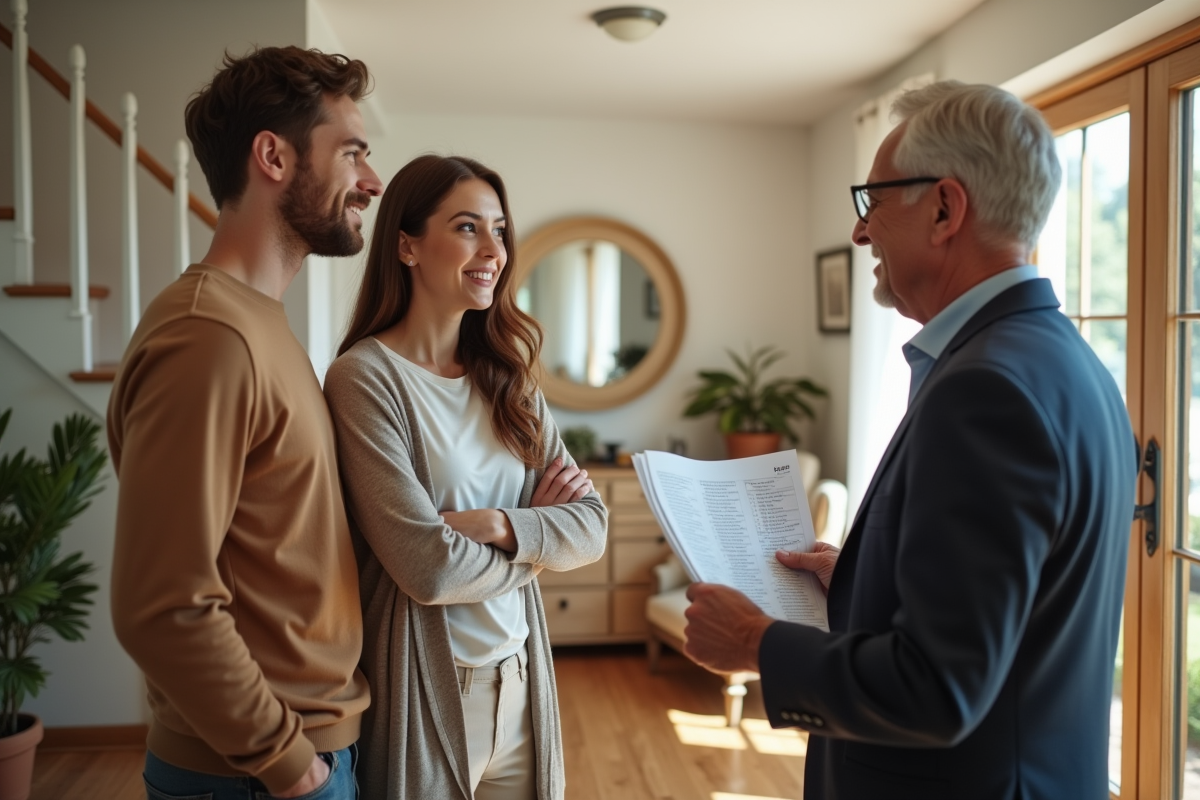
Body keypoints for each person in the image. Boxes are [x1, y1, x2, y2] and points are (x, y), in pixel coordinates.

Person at [682, 81, 1135, 799]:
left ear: (945, 209)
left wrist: (752, 642)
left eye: (874, 201)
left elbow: (940, 687)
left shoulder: (983, 390)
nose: (860, 232)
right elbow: (1011, 608)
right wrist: (863, 577)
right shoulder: (1064, 361)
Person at [107, 46, 383, 800]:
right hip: (259, 775)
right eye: (352, 153)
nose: (372, 181)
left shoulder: (256, 323)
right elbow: (162, 605)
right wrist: (291, 766)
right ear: (274, 156)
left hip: (297, 759)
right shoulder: (209, 336)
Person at [322, 154, 608, 800]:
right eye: (467, 227)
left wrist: (499, 524)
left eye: (499, 230)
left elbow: (591, 528)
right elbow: (429, 569)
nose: (493, 251)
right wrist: (536, 548)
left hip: (522, 680)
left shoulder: (509, 379)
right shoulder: (365, 379)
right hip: (429, 689)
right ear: (407, 246)